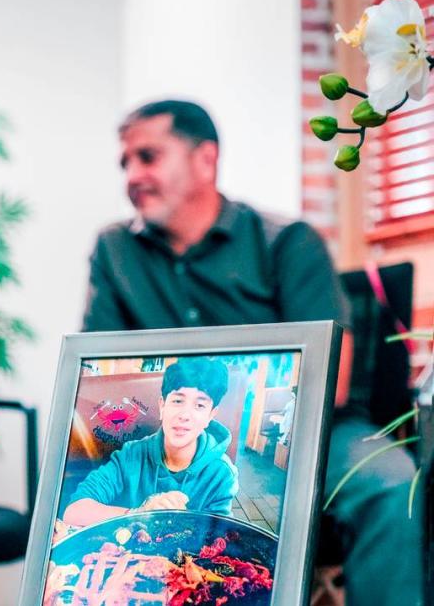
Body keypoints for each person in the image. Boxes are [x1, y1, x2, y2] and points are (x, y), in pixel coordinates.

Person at [82, 98, 421, 606]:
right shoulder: (115, 250)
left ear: (205, 159)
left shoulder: (289, 243)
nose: (133, 174)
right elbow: (99, 372)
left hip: (315, 433)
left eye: (147, 157)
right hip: (171, 438)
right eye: (125, 163)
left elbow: (337, 378)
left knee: (389, 484)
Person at [64, 357, 238, 526]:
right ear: (162, 406)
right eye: (178, 401)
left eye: (199, 405)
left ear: (211, 415)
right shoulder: (131, 455)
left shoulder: (221, 474)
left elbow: (219, 538)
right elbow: (74, 512)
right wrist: (139, 513)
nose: (184, 415)